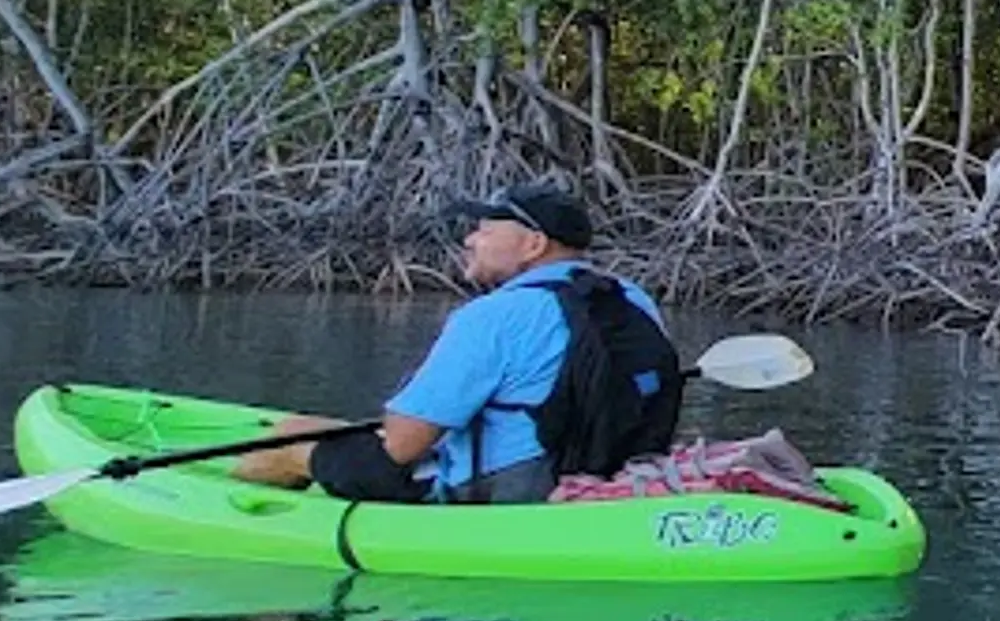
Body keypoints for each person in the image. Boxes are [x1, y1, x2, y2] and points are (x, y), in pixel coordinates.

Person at [236, 183, 680, 504]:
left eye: (486, 229)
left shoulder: (492, 317)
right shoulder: (633, 299)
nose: (471, 239)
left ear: (533, 244)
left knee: (288, 436)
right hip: (603, 473)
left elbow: (401, 447)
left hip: (500, 497)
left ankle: (226, 510)